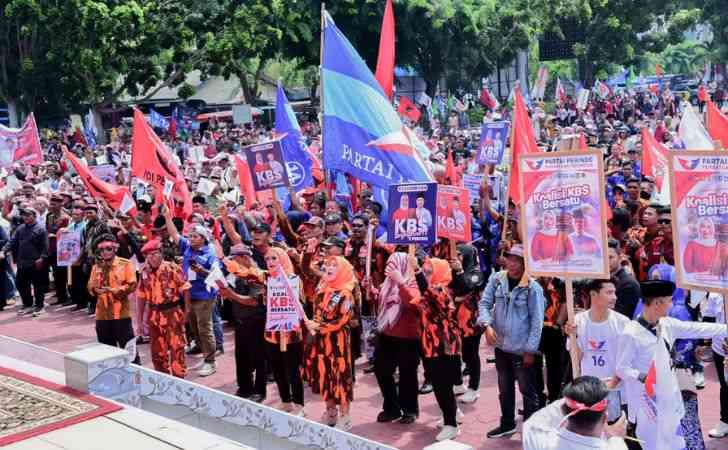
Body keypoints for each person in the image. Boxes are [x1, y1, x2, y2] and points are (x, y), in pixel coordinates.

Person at [616, 280, 728, 450]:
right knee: (649, 444)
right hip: (644, 403)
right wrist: (643, 377)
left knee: (670, 441)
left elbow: (697, 328)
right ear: (657, 303)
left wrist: (724, 328)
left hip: (667, 397)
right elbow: (621, 368)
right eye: (669, 300)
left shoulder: (667, 324)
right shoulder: (631, 333)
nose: (671, 305)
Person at [478, 243, 545, 438]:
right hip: (501, 347)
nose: (513, 264)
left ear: (526, 264)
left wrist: (530, 350)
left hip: (522, 350)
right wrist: (487, 325)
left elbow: (537, 322)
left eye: (518, 260)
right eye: (510, 258)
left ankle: (531, 432)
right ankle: (507, 424)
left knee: (528, 392)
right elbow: (484, 304)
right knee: (505, 390)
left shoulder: (533, 288)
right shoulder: (496, 279)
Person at [162, 205, 220, 377]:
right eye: (190, 236)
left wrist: (202, 271)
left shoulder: (210, 253)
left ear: (203, 238)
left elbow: (216, 275)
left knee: (205, 328)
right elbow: (174, 234)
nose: (191, 239)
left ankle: (210, 361)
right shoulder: (187, 247)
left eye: (195, 236)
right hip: (189, 296)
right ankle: (201, 350)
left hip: (205, 296)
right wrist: (167, 217)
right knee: (194, 327)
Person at [410, 257, 463, 442]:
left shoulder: (440, 289)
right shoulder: (433, 289)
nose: (425, 273)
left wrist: (416, 272)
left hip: (442, 346)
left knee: (442, 385)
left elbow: (429, 292)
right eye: (424, 270)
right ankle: (453, 414)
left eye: (429, 270)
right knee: (441, 384)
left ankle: (451, 425)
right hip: (431, 344)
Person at [304, 256, 356, 431]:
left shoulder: (346, 293)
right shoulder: (322, 288)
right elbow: (317, 313)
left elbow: (341, 321)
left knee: (340, 377)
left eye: (335, 265)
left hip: (338, 343)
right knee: (324, 375)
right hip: (321, 342)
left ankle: (345, 416)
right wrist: (314, 325)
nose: (329, 267)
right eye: (327, 264)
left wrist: (318, 327)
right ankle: (330, 411)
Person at [373, 252, 422, 425]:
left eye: (392, 264)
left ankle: (410, 409)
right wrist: (373, 292)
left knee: (407, 374)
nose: (388, 268)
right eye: (388, 264)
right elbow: (381, 305)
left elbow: (414, 304)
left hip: (408, 337)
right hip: (387, 334)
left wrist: (401, 282)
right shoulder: (387, 283)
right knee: (382, 370)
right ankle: (391, 408)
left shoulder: (413, 281)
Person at [522, 376, 628, 450]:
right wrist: (616, 438)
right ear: (605, 417)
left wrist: (578, 394)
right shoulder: (615, 447)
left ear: (564, 410)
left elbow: (533, 422)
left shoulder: (542, 440)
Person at [219, 243, 268, 401]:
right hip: (240, 321)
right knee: (242, 357)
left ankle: (259, 391)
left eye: (235, 258)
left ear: (245, 258)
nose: (232, 261)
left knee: (259, 357)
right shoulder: (236, 273)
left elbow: (253, 301)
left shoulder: (256, 275)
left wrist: (230, 294)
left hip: (255, 321)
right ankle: (245, 387)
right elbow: (229, 286)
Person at [565, 279, 630, 396]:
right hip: (589, 390)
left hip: (616, 390)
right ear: (593, 294)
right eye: (609, 293)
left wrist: (610, 385)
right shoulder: (578, 321)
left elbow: (626, 360)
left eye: (614, 293)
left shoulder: (622, 322)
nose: (614, 297)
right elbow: (576, 359)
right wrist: (573, 336)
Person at [136, 239, 190, 378]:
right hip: (154, 314)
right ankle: (163, 380)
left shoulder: (173, 268)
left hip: (172, 313)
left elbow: (185, 289)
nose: (151, 257)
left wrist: (187, 311)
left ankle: (180, 381)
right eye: (148, 255)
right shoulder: (144, 272)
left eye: (154, 253)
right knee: (157, 351)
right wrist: (140, 321)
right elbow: (141, 297)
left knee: (176, 348)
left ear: (161, 253)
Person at [263, 247, 306, 415]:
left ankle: (299, 405)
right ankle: (285, 401)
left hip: (291, 333)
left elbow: (302, 302)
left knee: (293, 370)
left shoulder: (294, 279)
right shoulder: (266, 279)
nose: (270, 262)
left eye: (274, 258)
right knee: (277, 368)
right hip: (272, 333)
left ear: (282, 259)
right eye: (267, 259)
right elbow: (248, 272)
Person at [87, 233, 139, 363]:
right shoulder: (96, 267)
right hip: (102, 315)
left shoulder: (125, 264)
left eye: (108, 248)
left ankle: (134, 379)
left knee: (129, 352)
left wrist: (113, 290)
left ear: (115, 248)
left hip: (121, 315)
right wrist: (95, 290)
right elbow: (90, 286)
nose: (105, 252)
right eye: (101, 250)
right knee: (106, 353)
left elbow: (132, 285)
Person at [451, 244, 485, 404]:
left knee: (471, 354)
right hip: (454, 320)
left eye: (460, 255)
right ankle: (458, 383)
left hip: (471, 322)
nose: (456, 257)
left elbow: (466, 287)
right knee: (457, 353)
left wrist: (459, 272)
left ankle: (474, 388)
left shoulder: (477, 273)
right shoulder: (452, 270)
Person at [2, 207, 49, 317]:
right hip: (22, 262)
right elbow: (12, 241)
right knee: (21, 284)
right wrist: (4, 250)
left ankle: (39, 306)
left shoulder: (41, 229)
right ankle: (27, 304)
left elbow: (45, 246)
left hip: (36, 262)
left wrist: (42, 258)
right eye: (24, 215)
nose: (26, 217)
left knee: (38, 285)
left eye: (28, 215)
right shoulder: (20, 228)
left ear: (34, 216)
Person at [608, 239, 641, 320]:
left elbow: (622, 317)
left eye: (610, 257)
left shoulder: (628, 284)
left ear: (619, 258)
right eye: (603, 258)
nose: (607, 261)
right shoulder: (603, 280)